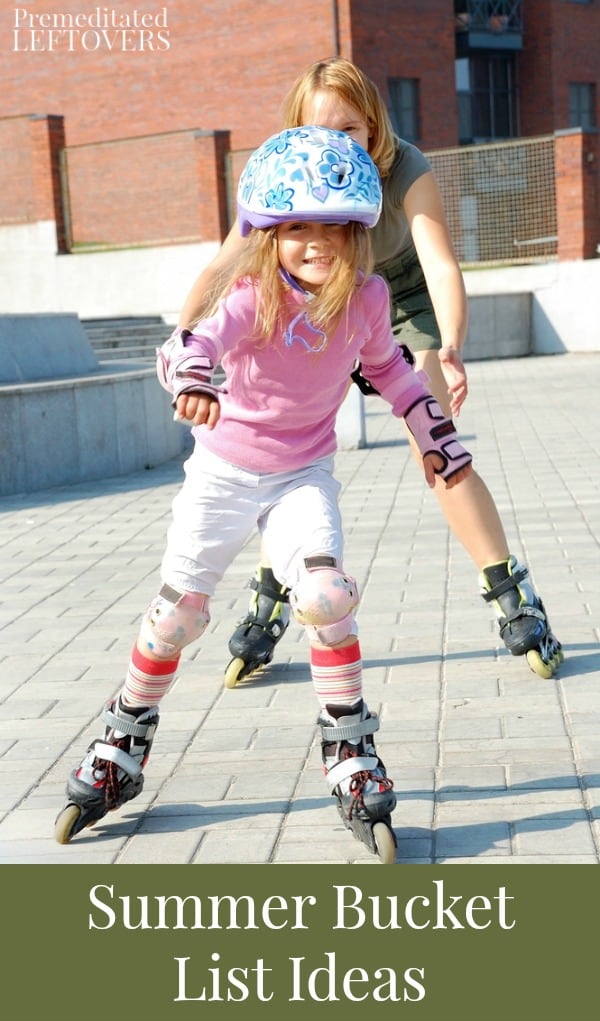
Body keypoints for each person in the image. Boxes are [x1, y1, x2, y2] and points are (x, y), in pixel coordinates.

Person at [54, 126, 473, 862]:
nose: (314, 243)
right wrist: (193, 383)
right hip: (221, 473)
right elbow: (195, 342)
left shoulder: (367, 300)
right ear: (270, 234)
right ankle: (124, 737)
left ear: (358, 232)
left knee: (324, 595)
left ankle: (348, 747)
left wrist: (434, 434)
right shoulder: (254, 297)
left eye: (331, 227)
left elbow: (396, 375)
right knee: (177, 617)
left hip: (301, 475)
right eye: (296, 228)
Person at [178, 56, 562, 683]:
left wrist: (453, 345)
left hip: (400, 300)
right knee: (288, 444)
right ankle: (274, 593)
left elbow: (438, 262)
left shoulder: (405, 165)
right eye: (320, 131)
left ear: (375, 127)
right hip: (310, 298)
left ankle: (509, 589)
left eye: (349, 130)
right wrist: (184, 340)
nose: (335, 145)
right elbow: (228, 262)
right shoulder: (284, 176)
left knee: (434, 441)